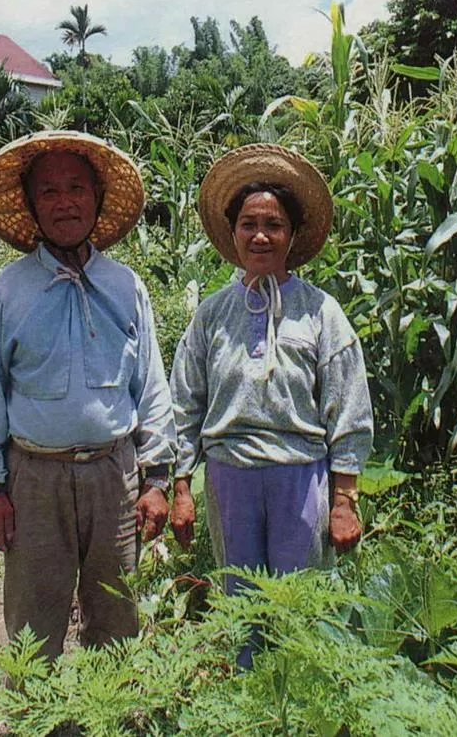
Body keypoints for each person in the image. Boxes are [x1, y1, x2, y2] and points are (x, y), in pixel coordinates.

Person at [0, 131, 176, 661]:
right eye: (49, 191)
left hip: (115, 478)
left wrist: (156, 479)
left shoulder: (126, 286)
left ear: (97, 199)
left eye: (77, 188)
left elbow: (151, 385)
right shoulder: (8, 291)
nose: (64, 202)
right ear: (31, 206)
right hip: (34, 479)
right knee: (32, 632)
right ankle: (36, 706)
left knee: (118, 621)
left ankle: (111, 704)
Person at [168, 143, 373, 612]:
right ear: (233, 232)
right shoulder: (212, 315)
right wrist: (180, 486)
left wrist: (344, 501)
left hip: (299, 476)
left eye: (274, 225)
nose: (260, 236)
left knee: (297, 612)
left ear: (292, 235)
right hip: (230, 477)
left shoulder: (320, 313)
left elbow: (348, 408)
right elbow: (185, 404)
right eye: (249, 224)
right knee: (241, 611)